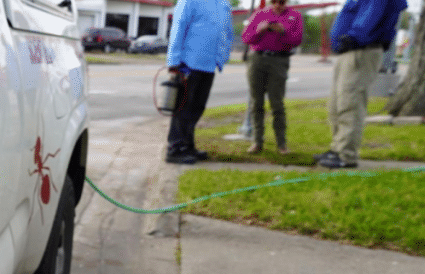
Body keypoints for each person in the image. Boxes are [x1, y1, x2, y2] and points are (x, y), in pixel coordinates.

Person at [314, 0, 406, 168]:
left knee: (350, 103)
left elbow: (372, 15)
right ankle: (337, 149)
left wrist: (354, 36)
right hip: (349, 51)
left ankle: (346, 155)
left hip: (361, 50)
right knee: (336, 104)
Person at [164, 0, 235, 165]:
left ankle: (188, 145)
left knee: (197, 107)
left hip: (209, 64)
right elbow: (178, 27)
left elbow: (227, 32)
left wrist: (222, 57)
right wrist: (173, 61)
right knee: (183, 107)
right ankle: (175, 148)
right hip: (189, 63)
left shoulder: (224, 4)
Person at [241, 0, 303, 154]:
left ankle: (281, 144)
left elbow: (297, 40)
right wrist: (259, 30)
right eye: (274, 1)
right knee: (257, 103)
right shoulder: (260, 14)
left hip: (279, 60)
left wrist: (282, 31)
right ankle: (257, 142)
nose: (278, 5)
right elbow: (246, 38)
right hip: (258, 59)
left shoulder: (295, 16)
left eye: (281, 2)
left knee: (277, 103)